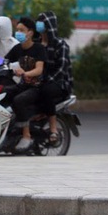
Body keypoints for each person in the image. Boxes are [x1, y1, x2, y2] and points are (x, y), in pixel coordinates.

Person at [4, 16, 46, 152]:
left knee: (19, 100)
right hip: (22, 85)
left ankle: (26, 136)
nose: (18, 33)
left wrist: (24, 73)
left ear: (30, 33)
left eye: (22, 30)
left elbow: (39, 70)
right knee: (1, 92)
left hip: (36, 87)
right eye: (17, 30)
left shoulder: (38, 49)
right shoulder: (17, 49)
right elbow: (2, 61)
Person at [36, 11, 73, 144]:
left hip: (59, 83)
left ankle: (53, 128)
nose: (38, 25)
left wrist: (45, 80)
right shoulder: (37, 44)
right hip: (39, 81)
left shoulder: (60, 45)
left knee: (46, 90)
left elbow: (62, 69)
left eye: (42, 22)